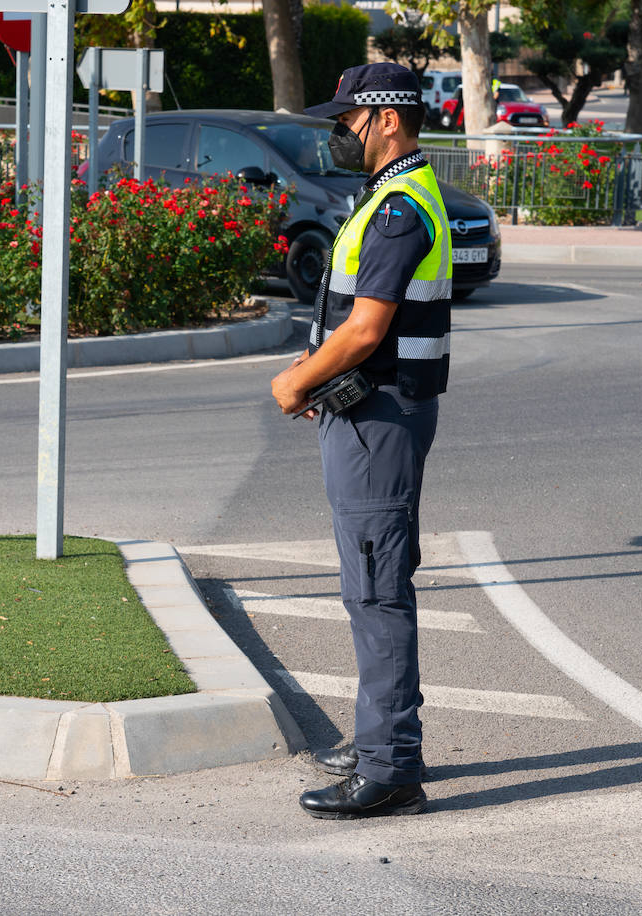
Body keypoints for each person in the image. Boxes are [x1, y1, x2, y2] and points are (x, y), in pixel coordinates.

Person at [271, 62, 452, 819]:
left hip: (378, 419)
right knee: (372, 581)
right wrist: (320, 375)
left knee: (376, 589)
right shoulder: (392, 196)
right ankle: (384, 739)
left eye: (348, 119)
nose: (340, 131)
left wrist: (296, 381)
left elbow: (368, 328)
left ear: (385, 119)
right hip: (368, 410)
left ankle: (389, 767)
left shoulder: (399, 209)